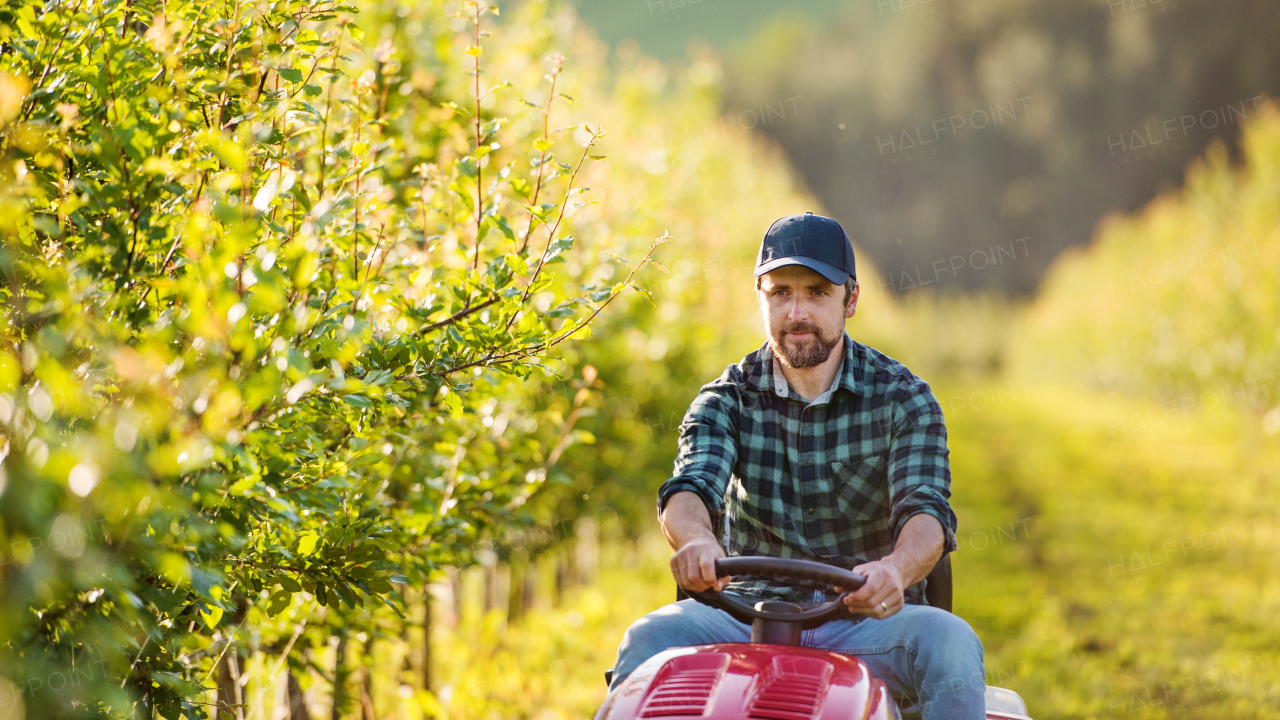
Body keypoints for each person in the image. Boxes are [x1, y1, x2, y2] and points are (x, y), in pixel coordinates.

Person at [607, 212, 985, 719]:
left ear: (850, 298)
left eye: (817, 292)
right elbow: (690, 488)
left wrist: (895, 571)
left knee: (951, 642)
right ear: (760, 297)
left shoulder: (904, 399)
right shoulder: (726, 399)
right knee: (647, 638)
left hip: (863, 621)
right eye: (780, 292)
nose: (797, 312)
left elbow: (926, 513)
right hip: (744, 615)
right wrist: (696, 540)